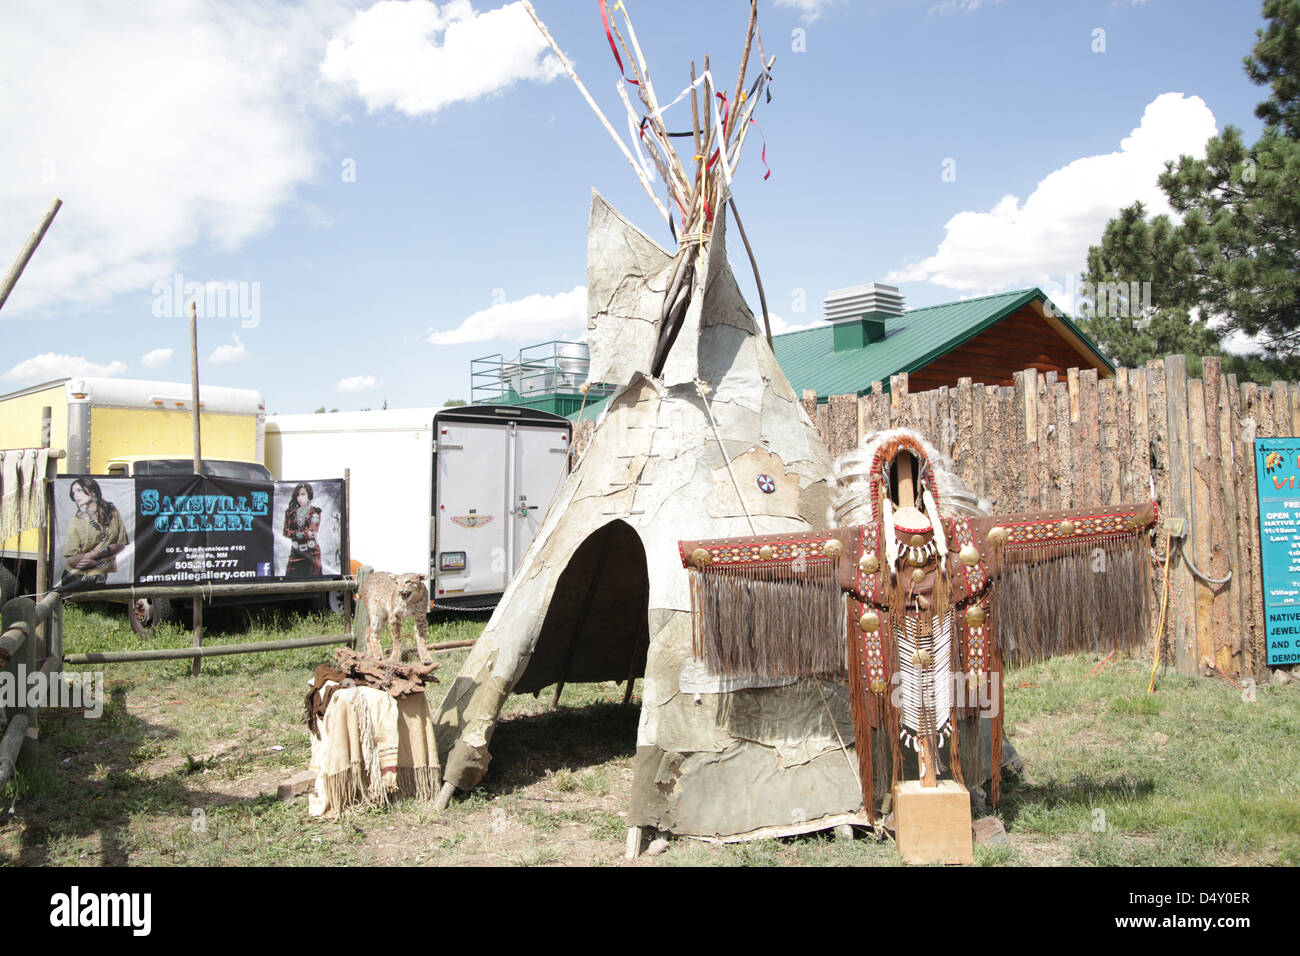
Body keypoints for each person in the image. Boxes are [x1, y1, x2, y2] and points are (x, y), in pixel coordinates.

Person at [62, 477, 128, 586]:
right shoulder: (77, 521)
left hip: (105, 576)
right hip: (78, 578)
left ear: (93, 492)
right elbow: (71, 559)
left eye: (79, 490)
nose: (75, 495)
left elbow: (121, 545)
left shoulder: (112, 513)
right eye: (73, 493)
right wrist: (103, 552)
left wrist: (97, 560)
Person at [283, 482, 322, 577]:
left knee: (315, 581)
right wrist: (302, 534)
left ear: (309, 495)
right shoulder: (289, 512)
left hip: (311, 553)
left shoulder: (315, 511)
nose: (300, 498)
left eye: (303, 494)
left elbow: (312, 532)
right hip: (295, 553)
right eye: (298, 495)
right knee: (290, 580)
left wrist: (296, 534)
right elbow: (286, 532)